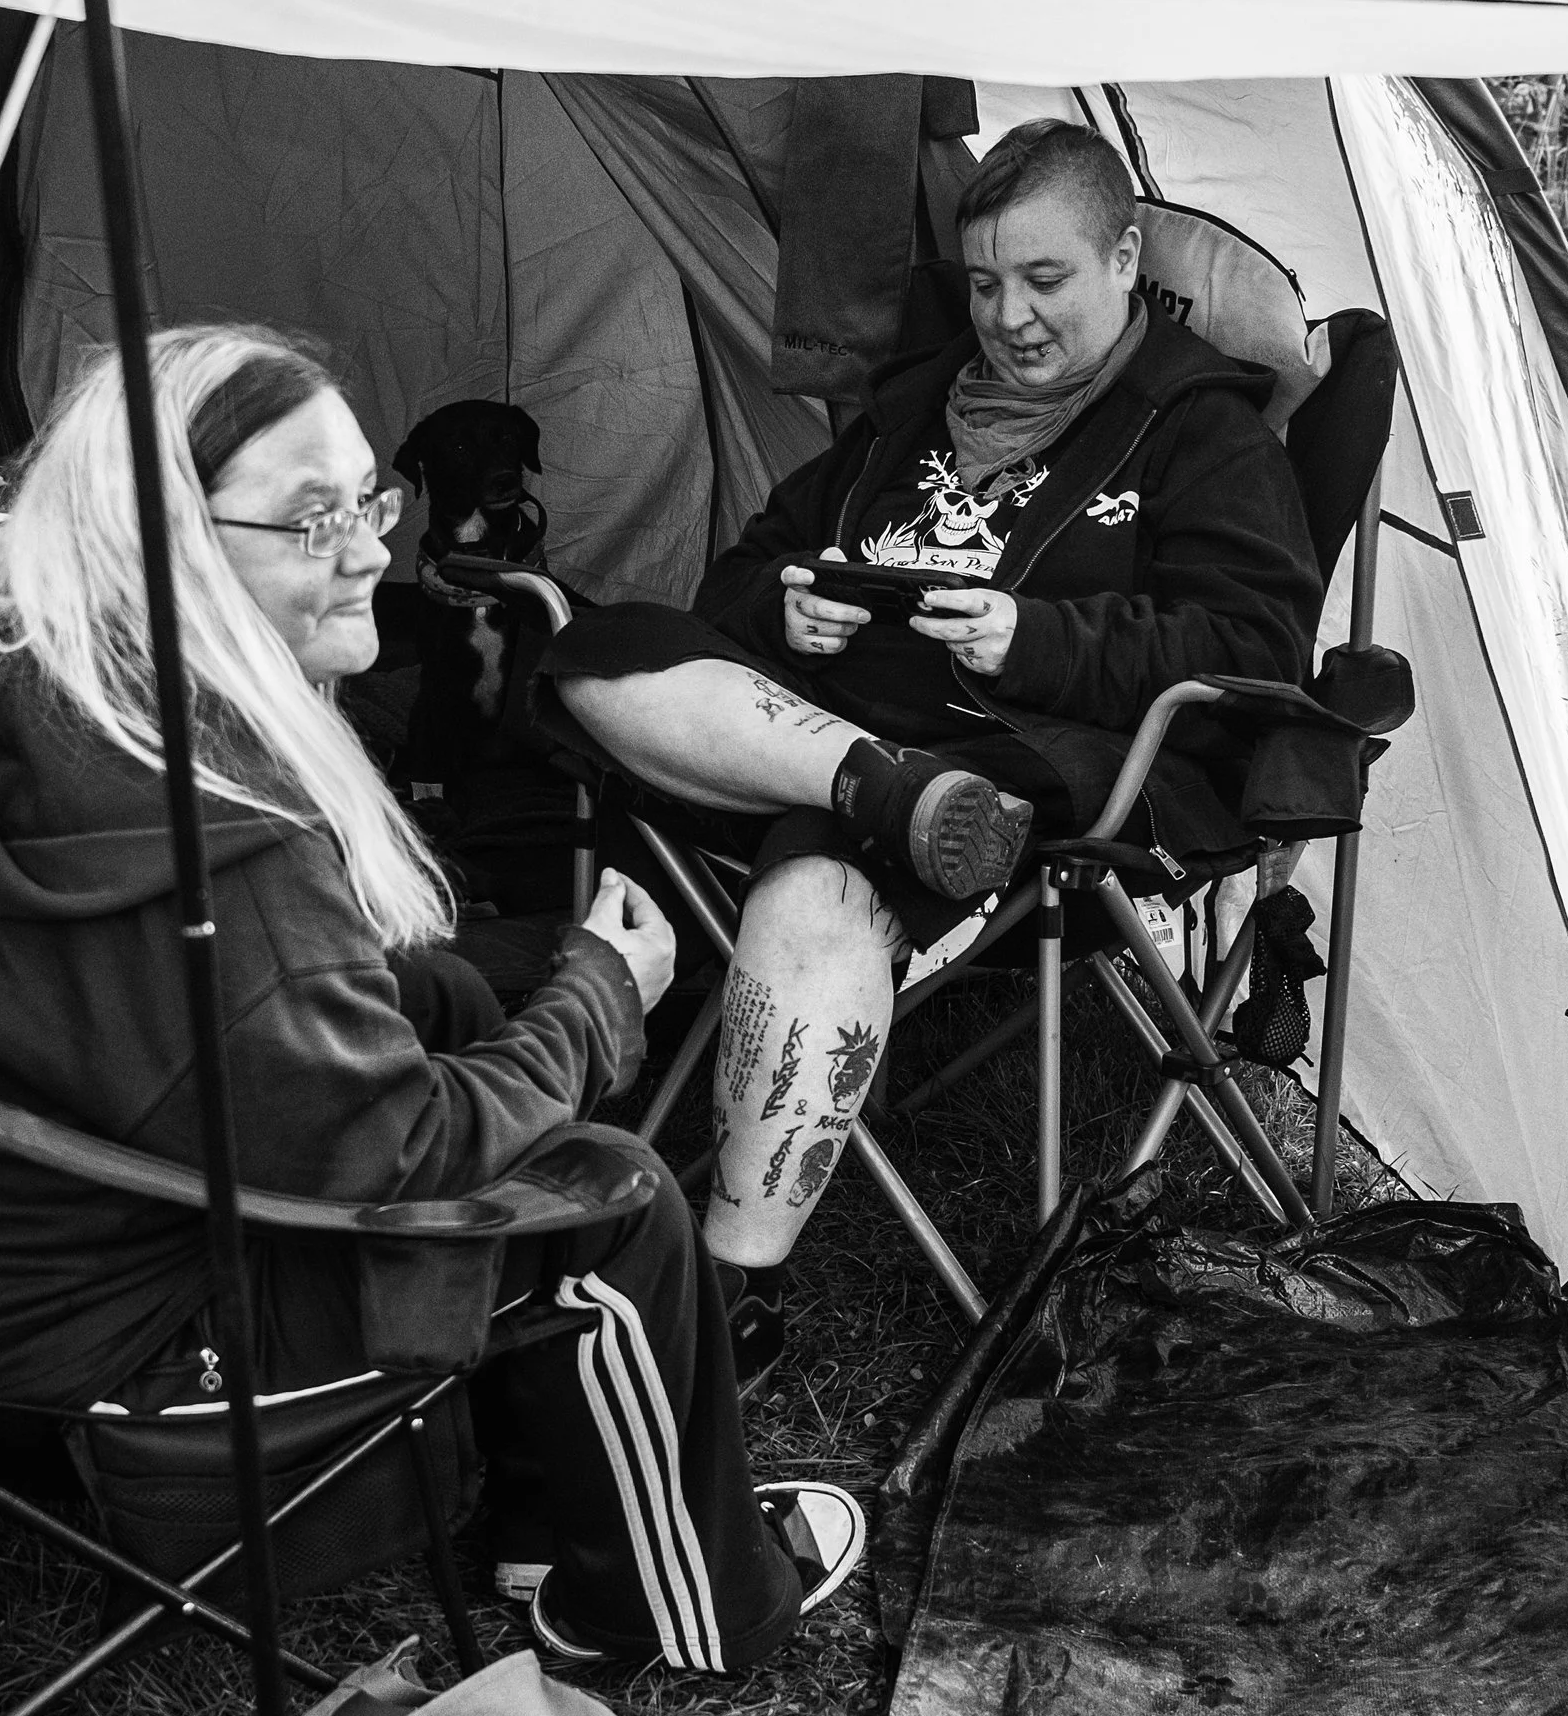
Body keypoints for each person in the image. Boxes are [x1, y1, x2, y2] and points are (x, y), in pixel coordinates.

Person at [0, 322, 863, 1676]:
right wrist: (604, 995)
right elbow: (402, 1153)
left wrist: (500, 995)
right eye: (311, 519)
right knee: (608, 1198)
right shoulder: (221, 837)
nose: (373, 547)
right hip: (124, 1349)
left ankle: (563, 1512)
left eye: (368, 495)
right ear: (169, 545)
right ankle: (684, 1599)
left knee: (463, 986)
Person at [539, 119, 1325, 1386]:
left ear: (1126, 257)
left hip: (1018, 754)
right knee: (599, 648)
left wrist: (1043, 641)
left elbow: (1255, 642)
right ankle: (875, 784)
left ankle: (727, 1304)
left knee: (814, 887)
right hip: (837, 737)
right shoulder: (913, 408)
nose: (1006, 317)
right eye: (982, 283)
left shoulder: (1199, 433)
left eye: (1044, 280)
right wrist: (778, 609)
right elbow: (752, 561)